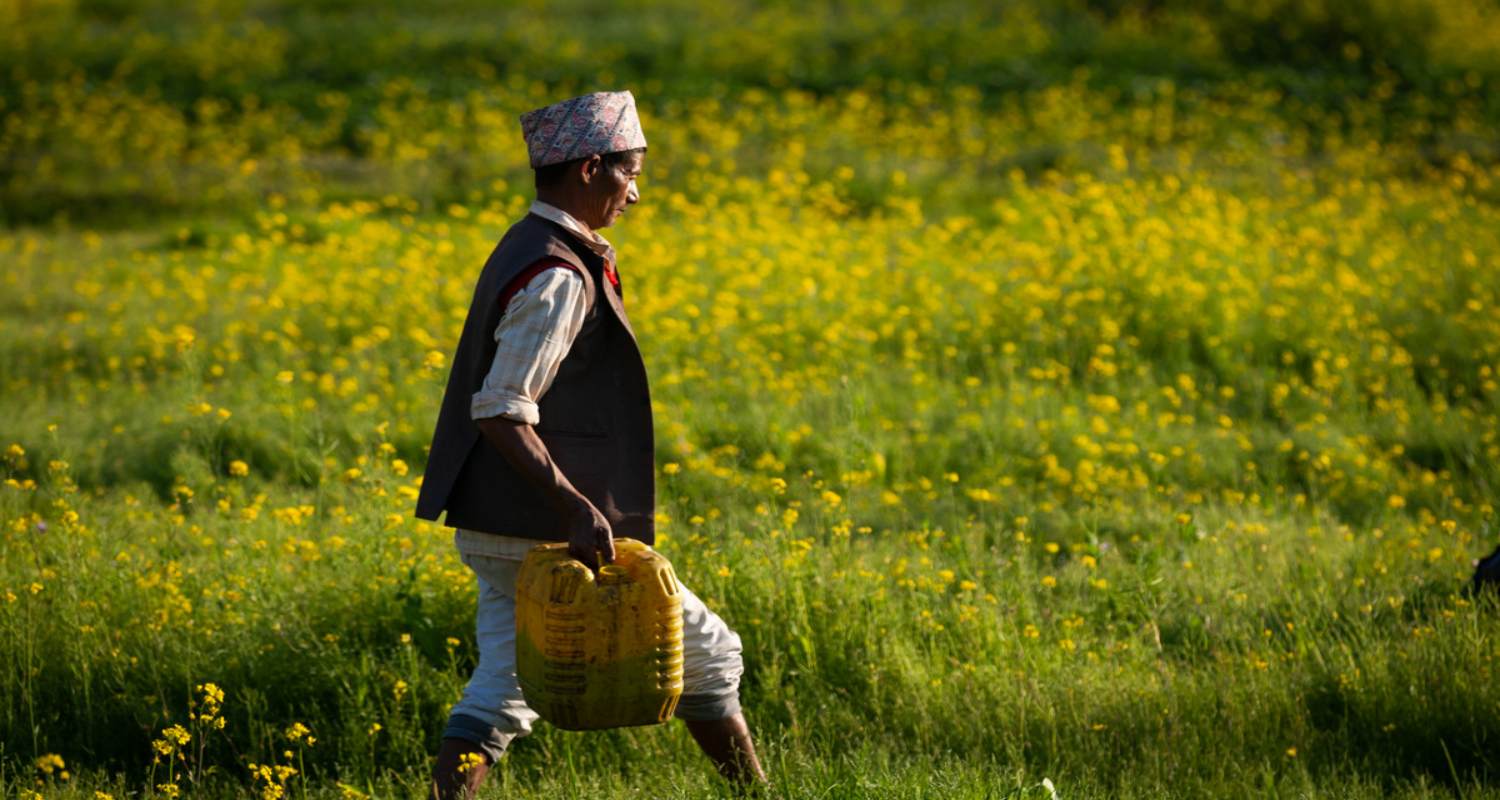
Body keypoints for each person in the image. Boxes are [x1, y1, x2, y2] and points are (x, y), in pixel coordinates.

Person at [414, 90, 766, 799]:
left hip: (497, 519)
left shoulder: (530, 242)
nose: (635, 193)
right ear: (590, 168)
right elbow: (503, 409)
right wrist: (574, 507)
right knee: (713, 656)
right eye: (630, 172)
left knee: (501, 692)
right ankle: (759, 795)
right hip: (541, 526)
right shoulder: (556, 274)